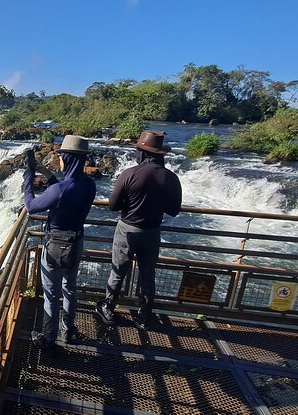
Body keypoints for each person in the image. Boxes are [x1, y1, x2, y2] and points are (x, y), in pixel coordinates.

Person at [96, 130, 182, 330]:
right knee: (147, 275)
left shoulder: (130, 174)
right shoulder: (170, 178)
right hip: (152, 231)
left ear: (143, 153)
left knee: (118, 271)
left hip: (127, 229)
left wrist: (131, 202)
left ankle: (109, 309)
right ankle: (144, 316)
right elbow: (174, 210)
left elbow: (113, 206)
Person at [23, 135, 96, 349]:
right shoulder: (89, 185)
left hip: (54, 246)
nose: (59, 160)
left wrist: (28, 179)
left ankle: (49, 339)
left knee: (51, 295)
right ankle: (68, 331)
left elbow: (31, 206)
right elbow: (63, 192)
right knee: (70, 289)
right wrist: (45, 172)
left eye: (61, 157)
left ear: (68, 159)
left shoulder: (59, 190)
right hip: (76, 243)